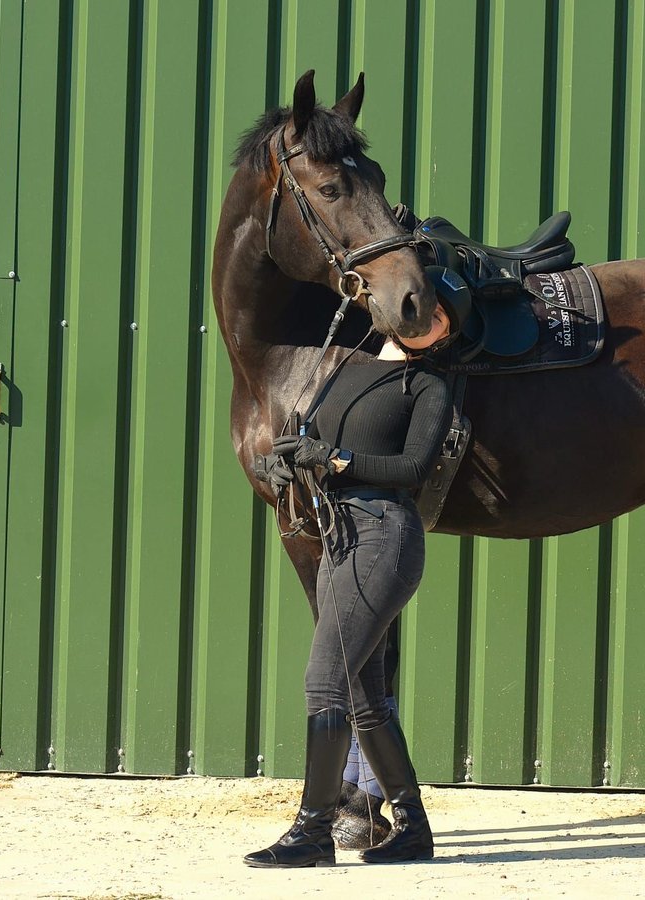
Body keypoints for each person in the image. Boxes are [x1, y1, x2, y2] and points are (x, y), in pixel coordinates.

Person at [245, 270, 465, 868]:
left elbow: (413, 466)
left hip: (385, 535)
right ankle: (413, 828)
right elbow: (306, 440)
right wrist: (285, 466)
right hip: (339, 534)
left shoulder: (428, 387)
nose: (431, 319)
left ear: (443, 331)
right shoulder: (339, 369)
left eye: (443, 318)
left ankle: (313, 832)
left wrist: (336, 460)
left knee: (325, 682)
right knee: (366, 697)